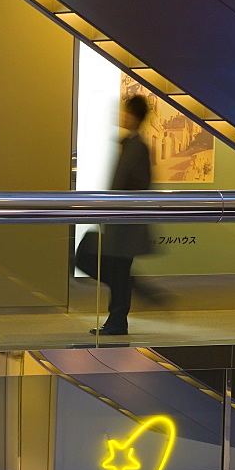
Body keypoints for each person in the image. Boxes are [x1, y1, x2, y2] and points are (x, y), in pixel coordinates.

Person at [89, 94, 152, 338]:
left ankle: (118, 320)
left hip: (126, 222)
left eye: (126, 112)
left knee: (118, 271)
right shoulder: (129, 143)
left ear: (134, 116)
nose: (122, 116)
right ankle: (119, 316)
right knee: (116, 271)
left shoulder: (138, 147)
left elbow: (140, 185)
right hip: (119, 219)